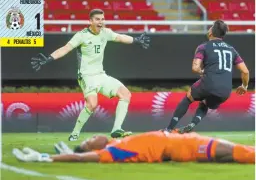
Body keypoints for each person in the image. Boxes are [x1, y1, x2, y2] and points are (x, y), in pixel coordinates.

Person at [31, 9, 151, 141]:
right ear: (91, 21)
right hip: (86, 76)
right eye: (98, 19)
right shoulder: (81, 35)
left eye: (102, 19)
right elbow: (66, 48)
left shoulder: (105, 33)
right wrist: (49, 58)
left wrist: (136, 40)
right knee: (92, 104)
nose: (101, 22)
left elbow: (121, 37)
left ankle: (116, 129)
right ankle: (75, 132)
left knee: (125, 94)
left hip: (101, 74)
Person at [163, 20, 249, 133]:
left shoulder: (203, 47)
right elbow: (245, 71)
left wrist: (202, 71)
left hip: (209, 83)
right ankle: (192, 124)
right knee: (205, 103)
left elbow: (195, 68)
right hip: (226, 91)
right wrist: (244, 86)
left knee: (189, 97)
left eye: (210, 27)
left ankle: (168, 129)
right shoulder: (232, 50)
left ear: (211, 32)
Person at [12, 131, 254, 164]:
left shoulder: (118, 141)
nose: (95, 136)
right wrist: (46, 158)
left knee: (237, 152)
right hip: (184, 147)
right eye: (90, 140)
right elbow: (83, 158)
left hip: (184, 141)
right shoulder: (112, 151)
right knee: (240, 153)